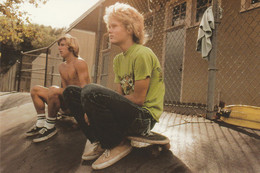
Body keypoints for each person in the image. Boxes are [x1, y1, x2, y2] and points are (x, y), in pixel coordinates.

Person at [63, 2, 165, 170]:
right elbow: (119, 96)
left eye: (114, 26)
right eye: (108, 26)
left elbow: (138, 99)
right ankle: (101, 141)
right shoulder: (118, 60)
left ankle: (117, 143)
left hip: (143, 118)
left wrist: (93, 101)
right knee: (71, 93)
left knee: (90, 91)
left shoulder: (142, 54)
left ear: (130, 28)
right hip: (128, 113)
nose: (109, 30)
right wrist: (90, 108)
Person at [25, 34, 90, 143]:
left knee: (54, 89)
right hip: (67, 104)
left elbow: (86, 89)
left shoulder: (80, 63)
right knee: (35, 90)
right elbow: (64, 88)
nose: (59, 48)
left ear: (71, 46)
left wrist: (87, 112)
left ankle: (50, 127)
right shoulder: (62, 66)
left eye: (63, 45)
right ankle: (41, 123)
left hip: (79, 104)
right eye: (59, 45)